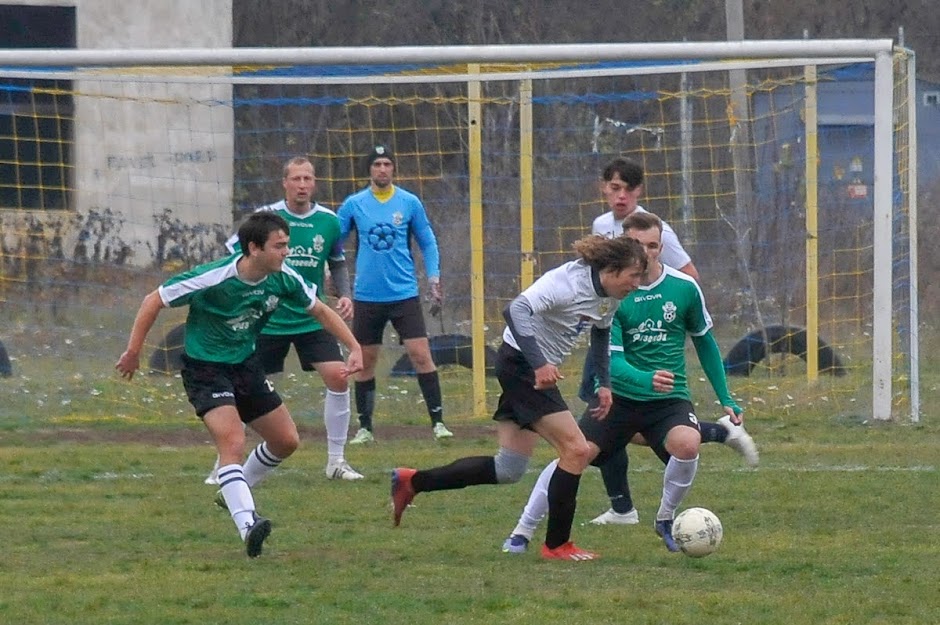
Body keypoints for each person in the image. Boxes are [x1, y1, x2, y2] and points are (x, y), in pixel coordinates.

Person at [115, 212, 363, 558]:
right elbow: (153, 300)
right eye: (279, 246)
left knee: (286, 441)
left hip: (245, 365)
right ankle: (248, 524)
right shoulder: (215, 277)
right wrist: (133, 352)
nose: (286, 253)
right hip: (205, 368)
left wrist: (353, 347)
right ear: (253, 248)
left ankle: (234, 489)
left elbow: (320, 310)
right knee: (232, 441)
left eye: (287, 245)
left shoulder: (283, 278)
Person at [390, 234, 648, 561]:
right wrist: (540, 364)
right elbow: (514, 310)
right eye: (634, 276)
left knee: (508, 468)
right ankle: (557, 545)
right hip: (521, 365)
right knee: (576, 449)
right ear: (611, 269)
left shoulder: (611, 293)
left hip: (528, 368)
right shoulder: (565, 283)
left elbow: (600, 331)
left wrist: (605, 383)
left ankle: (413, 481)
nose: (637, 284)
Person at [502, 212, 747, 554]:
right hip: (622, 399)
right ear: (623, 247)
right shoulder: (614, 291)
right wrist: (635, 379)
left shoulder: (683, 288)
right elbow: (612, 358)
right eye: (639, 246)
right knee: (577, 453)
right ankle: (523, 529)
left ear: (662, 247)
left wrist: (726, 396)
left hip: (668, 399)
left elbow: (705, 340)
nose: (647, 254)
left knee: (688, 444)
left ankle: (665, 518)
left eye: (653, 245)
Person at [580, 158, 757, 527]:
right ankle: (623, 506)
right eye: (613, 188)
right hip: (609, 335)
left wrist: (667, 310)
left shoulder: (656, 231)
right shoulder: (601, 226)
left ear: (639, 192)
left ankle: (629, 506)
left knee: (627, 429)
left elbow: (686, 275)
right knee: (615, 427)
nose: (620, 195)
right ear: (603, 189)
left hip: (642, 348)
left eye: (627, 188)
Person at [205, 156, 364, 485]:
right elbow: (234, 254)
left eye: (308, 179)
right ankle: (225, 462)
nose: (303, 185)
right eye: (297, 179)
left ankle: (336, 460)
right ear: (285, 183)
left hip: (309, 316)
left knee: (338, 377)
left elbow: (336, 262)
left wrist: (344, 294)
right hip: (268, 317)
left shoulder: (329, 221)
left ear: (314, 183)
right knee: (237, 388)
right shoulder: (267, 219)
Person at [337, 144, 452, 443]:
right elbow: (334, 242)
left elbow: (428, 242)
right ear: (369, 170)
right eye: (377, 165)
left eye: (387, 163)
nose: (383, 169)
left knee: (420, 355)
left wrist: (434, 277)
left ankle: (438, 423)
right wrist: (329, 275)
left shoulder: (409, 202)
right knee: (367, 360)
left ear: (393, 168)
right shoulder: (354, 204)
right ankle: (365, 427)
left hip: (403, 295)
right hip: (367, 297)